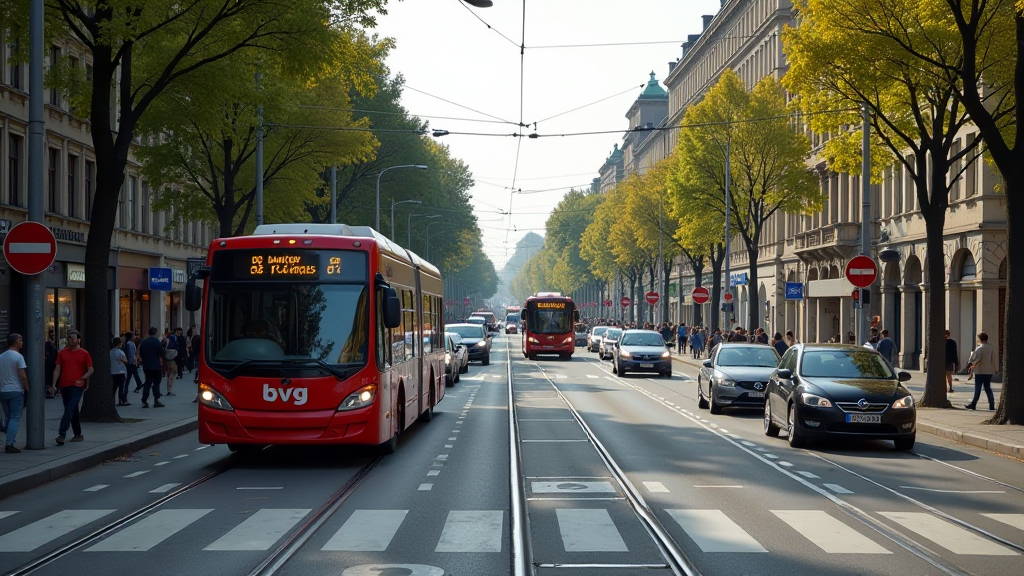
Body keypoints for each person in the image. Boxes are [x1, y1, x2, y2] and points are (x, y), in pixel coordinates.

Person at [50, 330, 94, 445]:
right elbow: (57, 369)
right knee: (73, 410)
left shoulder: (84, 353)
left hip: (77, 385)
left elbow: (91, 369)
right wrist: (53, 385)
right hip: (64, 385)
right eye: (69, 338)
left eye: (72, 338)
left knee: (69, 408)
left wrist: (83, 378)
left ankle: (62, 434)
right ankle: (78, 434)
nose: (70, 340)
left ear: (78, 339)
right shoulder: (62, 353)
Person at [0, 333, 29, 453]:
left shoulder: (1, 356)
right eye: (21, 340)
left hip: (3, 390)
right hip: (16, 390)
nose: (22, 342)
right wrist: (27, 388)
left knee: (8, 416)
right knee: (15, 417)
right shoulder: (18, 356)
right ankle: (10, 443)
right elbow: (22, 375)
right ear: (16, 341)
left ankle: (4, 428)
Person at [965, 332, 997, 411]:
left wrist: (970, 364)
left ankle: (973, 404)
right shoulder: (991, 348)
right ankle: (992, 405)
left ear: (980, 339)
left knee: (978, 388)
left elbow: (976, 359)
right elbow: (993, 360)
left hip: (980, 371)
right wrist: (995, 369)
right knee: (988, 388)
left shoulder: (979, 348)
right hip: (989, 371)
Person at [138, 327, 165, 408]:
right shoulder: (157, 342)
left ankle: (144, 400)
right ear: (155, 333)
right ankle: (156, 399)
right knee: (156, 383)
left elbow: (141, 353)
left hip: (147, 365)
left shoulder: (144, 342)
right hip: (156, 366)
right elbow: (161, 353)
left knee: (147, 382)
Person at [110, 336, 130, 406]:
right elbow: (126, 361)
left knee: (114, 387)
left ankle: (111, 400)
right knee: (121, 387)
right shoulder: (121, 352)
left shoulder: (110, 352)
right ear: (119, 344)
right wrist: (122, 360)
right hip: (121, 371)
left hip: (113, 372)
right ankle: (122, 400)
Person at [44, 330, 57, 399]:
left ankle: (49, 391)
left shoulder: (48, 344)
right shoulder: (50, 345)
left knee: (48, 379)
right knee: (49, 379)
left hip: (49, 364)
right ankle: (50, 392)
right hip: (51, 364)